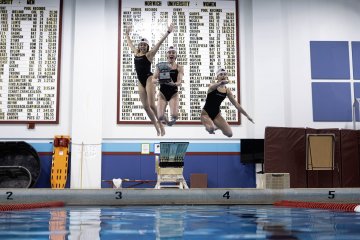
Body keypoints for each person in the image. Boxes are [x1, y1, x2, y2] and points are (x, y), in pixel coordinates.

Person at [125, 23, 174, 136]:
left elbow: (159, 44)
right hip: (140, 81)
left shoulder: (149, 54)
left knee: (152, 105)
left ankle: (162, 124)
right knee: (146, 107)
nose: (142, 46)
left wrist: (167, 32)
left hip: (149, 79)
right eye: (141, 45)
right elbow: (129, 44)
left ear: (147, 47)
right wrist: (127, 34)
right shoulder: (136, 53)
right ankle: (156, 126)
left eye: (144, 45)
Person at [201, 68, 254, 137]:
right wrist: (220, 83)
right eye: (221, 74)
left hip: (217, 115)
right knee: (211, 129)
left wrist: (247, 115)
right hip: (206, 114)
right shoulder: (212, 86)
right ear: (217, 77)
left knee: (229, 134)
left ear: (226, 76)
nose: (223, 76)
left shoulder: (227, 91)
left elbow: (236, 104)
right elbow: (213, 86)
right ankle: (211, 128)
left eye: (224, 74)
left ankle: (216, 127)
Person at [153, 46, 184, 126]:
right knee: (160, 117)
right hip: (162, 93)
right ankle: (167, 120)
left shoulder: (179, 67)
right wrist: (158, 81)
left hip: (173, 93)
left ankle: (170, 120)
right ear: (166, 55)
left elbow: (179, 81)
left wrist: (174, 84)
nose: (171, 54)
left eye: (173, 53)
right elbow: (153, 79)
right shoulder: (160, 66)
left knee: (174, 116)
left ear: (176, 55)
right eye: (169, 52)